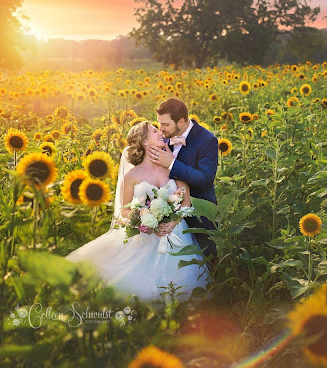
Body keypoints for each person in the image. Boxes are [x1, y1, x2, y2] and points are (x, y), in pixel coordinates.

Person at [66, 121, 208, 302]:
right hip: (145, 237)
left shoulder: (174, 168)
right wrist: (144, 219)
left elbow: (186, 203)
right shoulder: (131, 176)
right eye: (154, 131)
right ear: (145, 142)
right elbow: (123, 211)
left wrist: (173, 221)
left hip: (176, 233)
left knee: (187, 285)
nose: (160, 132)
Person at [147, 98, 219, 266]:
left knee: (205, 265)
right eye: (159, 123)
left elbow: (205, 179)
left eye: (165, 124)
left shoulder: (207, 140)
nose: (161, 129)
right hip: (167, 216)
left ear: (181, 121)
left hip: (199, 216)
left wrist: (172, 164)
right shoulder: (162, 138)